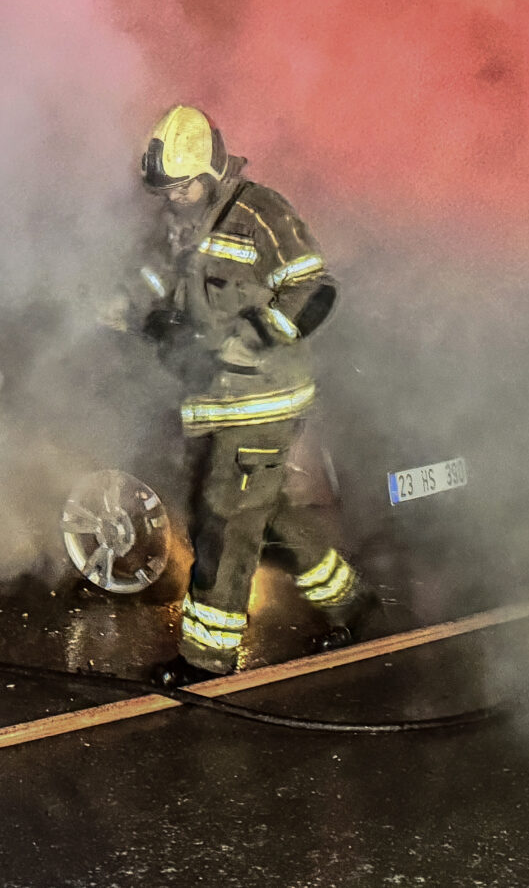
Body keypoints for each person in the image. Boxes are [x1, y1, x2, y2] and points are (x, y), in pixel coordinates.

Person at [128, 104, 372, 687]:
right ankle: (354, 604)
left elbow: (314, 287)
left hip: (262, 396)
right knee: (270, 511)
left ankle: (205, 658)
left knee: (228, 518)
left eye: (182, 185)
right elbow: (160, 280)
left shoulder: (260, 212)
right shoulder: (180, 222)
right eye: (165, 189)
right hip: (216, 400)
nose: (173, 196)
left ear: (210, 173)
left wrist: (252, 339)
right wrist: (155, 318)